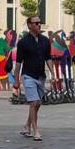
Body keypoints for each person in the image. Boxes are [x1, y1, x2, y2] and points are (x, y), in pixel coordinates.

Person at [14, 13, 51, 141]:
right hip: (28, 75)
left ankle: (27, 125)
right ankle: (35, 130)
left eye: (40, 22)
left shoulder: (45, 40)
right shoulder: (23, 42)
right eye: (36, 23)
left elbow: (48, 58)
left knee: (38, 103)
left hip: (41, 76)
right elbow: (18, 63)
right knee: (34, 102)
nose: (39, 25)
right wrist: (16, 80)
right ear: (29, 25)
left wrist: (53, 73)